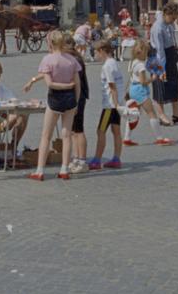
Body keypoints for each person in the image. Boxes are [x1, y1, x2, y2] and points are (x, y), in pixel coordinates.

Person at [23, 30, 79, 181]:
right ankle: (64, 169)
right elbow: (77, 84)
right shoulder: (71, 60)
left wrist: (63, 86)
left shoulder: (47, 60)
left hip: (55, 98)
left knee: (46, 136)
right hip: (70, 99)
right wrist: (76, 101)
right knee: (66, 135)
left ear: (50, 43)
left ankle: (40, 170)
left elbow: (50, 83)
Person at [89, 40, 124, 170]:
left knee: (100, 131)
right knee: (116, 131)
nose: (95, 55)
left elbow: (112, 86)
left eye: (96, 52)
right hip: (117, 102)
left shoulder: (107, 66)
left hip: (110, 105)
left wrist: (114, 104)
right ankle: (116, 158)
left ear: (102, 51)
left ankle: (97, 160)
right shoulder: (114, 63)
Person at [151, 3, 178, 124]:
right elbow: (159, 50)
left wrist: (175, 46)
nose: (174, 21)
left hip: (169, 54)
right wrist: (161, 69)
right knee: (159, 85)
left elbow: (172, 36)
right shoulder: (158, 28)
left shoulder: (169, 24)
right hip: (156, 57)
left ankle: (176, 113)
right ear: (167, 14)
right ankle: (161, 115)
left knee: (174, 83)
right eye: (173, 18)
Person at [64, 40, 90, 174]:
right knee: (73, 130)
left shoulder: (75, 60)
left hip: (78, 97)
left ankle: (82, 160)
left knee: (79, 129)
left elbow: (76, 81)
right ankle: (76, 157)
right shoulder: (73, 58)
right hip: (74, 97)